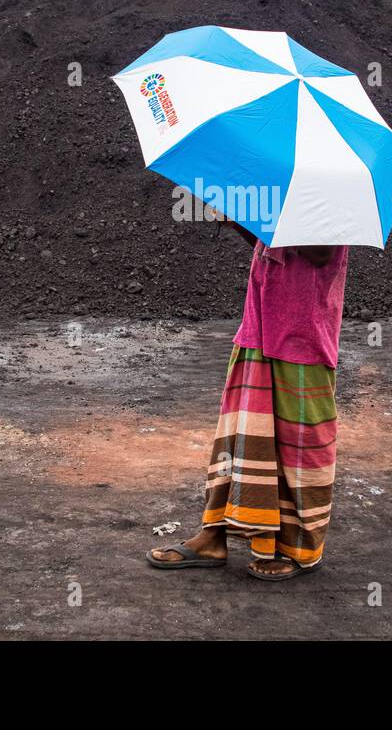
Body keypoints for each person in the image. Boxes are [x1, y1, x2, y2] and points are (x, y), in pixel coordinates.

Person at [147, 212, 349, 581]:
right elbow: (271, 239)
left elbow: (320, 252)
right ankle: (213, 535)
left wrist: (257, 213)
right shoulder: (286, 191)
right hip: (258, 329)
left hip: (302, 339)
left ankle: (299, 547)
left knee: (299, 448)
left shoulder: (326, 192)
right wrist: (238, 221)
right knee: (241, 441)